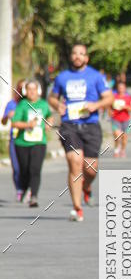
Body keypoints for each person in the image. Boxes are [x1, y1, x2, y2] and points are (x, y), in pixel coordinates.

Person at [48, 44, 113, 222]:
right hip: (69, 125)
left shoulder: (95, 76)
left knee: (90, 169)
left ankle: (86, 187)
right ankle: (77, 208)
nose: (77, 56)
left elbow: (109, 97)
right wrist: (57, 105)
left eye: (81, 54)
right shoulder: (62, 77)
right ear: (71, 56)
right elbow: (52, 97)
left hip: (91, 125)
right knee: (75, 162)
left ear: (86, 58)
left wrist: (96, 105)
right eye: (75, 53)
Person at [11, 80, 54, 208]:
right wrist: (27, 125)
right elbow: (14, 123)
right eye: (29, 89)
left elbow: (50, 116)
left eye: (34, 89)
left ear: (38, 91)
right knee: (24, 169)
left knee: (35, 169)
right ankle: (24, 188)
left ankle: (34, 196)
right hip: (22, 142)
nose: (31, 92)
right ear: (25, 91)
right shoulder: (22, 105)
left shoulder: (43, 104)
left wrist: (49, 123)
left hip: (39, 142)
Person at [2, 78, 26, 201]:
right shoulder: (12, 104)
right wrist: (7, 115)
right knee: (16, 167)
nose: (22, 91)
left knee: (27, 167)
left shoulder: (31, 104)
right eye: (20, 88)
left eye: (24, 88)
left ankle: (28, 189)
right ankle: (19, 189)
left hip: (29, 139)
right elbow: (3, 121)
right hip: (15, 139)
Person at [110, 79, 131, 158]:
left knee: (124, 138)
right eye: (119, 87)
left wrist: (125, 107)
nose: (121, 89)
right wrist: (110, 112)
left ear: (125, 88)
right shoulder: (114, 97)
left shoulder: (128, 98)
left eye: (122, 87)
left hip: (126, 120)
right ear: (117, 88)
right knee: (117, 136)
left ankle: (123, 150)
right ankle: (116, 149)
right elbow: (109, 106)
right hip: (115, 119)